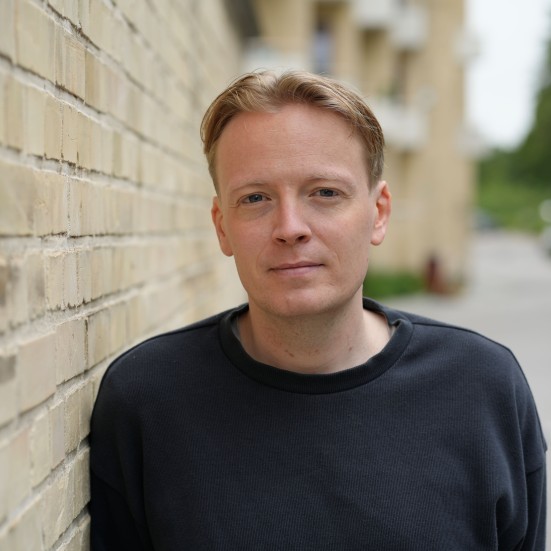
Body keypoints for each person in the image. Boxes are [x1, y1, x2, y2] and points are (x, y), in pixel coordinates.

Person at [89, 70, 547, 550]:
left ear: (379, 212)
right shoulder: (147, 402)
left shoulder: (483, 389)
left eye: (325, 193)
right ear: (222, 226)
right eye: (256, 198)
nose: (290, 227)